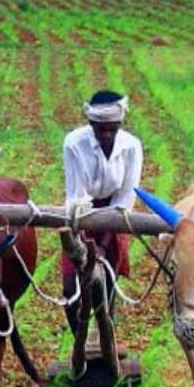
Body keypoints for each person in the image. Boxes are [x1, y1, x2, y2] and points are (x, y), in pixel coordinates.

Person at [61, 90, 144, 335]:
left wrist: (105, 244)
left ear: (119, 124)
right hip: (80, 214)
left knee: (106, 284)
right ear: (91, 124)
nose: (106, 134)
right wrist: (83, 246)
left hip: (114, 216)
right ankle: (80, 341)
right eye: (100, 129)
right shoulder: (74, 143)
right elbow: (77, 195)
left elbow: (126, 196)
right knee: (70, 288)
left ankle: (106, 337)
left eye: (112, 129)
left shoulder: (131, 147)